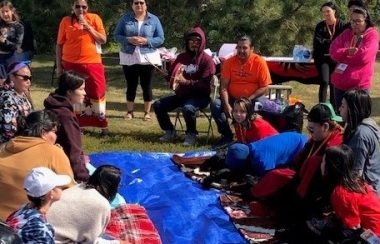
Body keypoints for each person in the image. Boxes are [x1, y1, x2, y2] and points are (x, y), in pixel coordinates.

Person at [251, 103, 343, 226]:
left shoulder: (334, 146)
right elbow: (299, 161)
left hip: (319, 190)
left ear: (325, 126)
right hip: (303, 177)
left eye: (312, 129)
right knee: (277, 176)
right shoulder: (315, 139)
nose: (310, 133)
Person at [0, 110, 75, 220]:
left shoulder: (4, 147)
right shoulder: (54, 152)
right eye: (54, 132)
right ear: (44, 133)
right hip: (29, 221)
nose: (56, 136)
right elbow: (70, 189)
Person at [153, 27, 215, 146]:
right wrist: (166, 75)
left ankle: (191, 134)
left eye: (197, 41)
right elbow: (175, 79)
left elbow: (205, 84)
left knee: (188, 108)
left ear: (202, 42)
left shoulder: (207, 60)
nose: (194, 43)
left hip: (200, 97)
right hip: (182, 95)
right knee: (158, 105)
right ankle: (170, 131)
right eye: (190, 41)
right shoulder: (181, 57)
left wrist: (186, 81)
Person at [56, 0, 109, 135]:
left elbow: (103, 40)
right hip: (70, 63)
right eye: (77, 6)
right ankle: (77, 125)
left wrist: (89, 27)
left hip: (92, 63)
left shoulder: (94, 18)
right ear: (72, 7)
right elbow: (59, 44)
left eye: (84, 7)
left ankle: (103, 125)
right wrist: (59, 66)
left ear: (88, 8)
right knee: (75, 94)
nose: (81, 9)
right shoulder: (66, 21)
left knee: (97, 92)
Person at [307, 145, 380, 241]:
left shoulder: (341, 193)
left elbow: (353, 227)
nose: (321, 164)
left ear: (331, 167)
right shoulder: (354, 180)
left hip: (373, 236)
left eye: (323, 162)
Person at [210, 34, 272, 146]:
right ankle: (227, 136)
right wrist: (227, 105)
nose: (241, 50)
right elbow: (223, 87)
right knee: (216, 104)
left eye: (244, 48)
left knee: (264, 105)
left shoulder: (259, 62)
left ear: (252, 49)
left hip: (252, 98)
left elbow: (264, 87)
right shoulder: (229, 62)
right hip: (233, 98)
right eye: (239, 47)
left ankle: (256, 137)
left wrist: (247, 100)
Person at [47, 165, 127, 243]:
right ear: (112, 186)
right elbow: (90, 241)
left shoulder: (78, 187)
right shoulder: (101, 204)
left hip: (42, 232)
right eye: (118, 186)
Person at [114, 0, 164, 121]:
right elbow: (116, 36)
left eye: (141, 2)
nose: (139, 5)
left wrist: (147, 41)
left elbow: (161, 38)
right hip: (129, 56)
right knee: (131, 85)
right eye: (136, 3)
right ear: (132, 5)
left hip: (148, 57)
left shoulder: (154, 19)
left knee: (146, 85)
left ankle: (147, 113)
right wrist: (128, 39)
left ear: (146, 5)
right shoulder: (125, 19)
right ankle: (129, 112)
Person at [44, 71, 90, 182]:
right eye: (81, 89)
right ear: (69, 92)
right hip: (63, 170)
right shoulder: (65, 116)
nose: (85, 93)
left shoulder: (54, 106)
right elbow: (73, 150)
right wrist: (83, 178)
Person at [329, 6, 378, 108]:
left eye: (358, 21)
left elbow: (363, 56)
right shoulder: (347, 33)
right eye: (352, 21)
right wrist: (347, 51)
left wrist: (342, 56)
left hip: (358, 86)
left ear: (366, 21)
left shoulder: (372, 35)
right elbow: (333, 50)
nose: (354, 24)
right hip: (339, 84)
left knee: (357, 118)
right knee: (339, 117)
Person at [6, 167, 71, 243]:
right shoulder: (41, 229)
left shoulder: (23, 210)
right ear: (51, 193)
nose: (62, 188)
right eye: (59, 186)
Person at [339, 89, 380, 195]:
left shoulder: (360, 136)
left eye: (343, 106)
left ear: (353, 109)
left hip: (368, 191)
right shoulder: (356, 127)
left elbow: (355, 173)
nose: (339, 109)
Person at [313, 2, 346, 108]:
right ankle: (321, 107)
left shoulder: (342, 25)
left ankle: (334, 108)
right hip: (322, 58)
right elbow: (317, 43)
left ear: (334, 11)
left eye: (328, 11)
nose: (326, 14)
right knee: (324, 81)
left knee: (334, 83)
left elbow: (344, 42)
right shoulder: (320, 26)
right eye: (323, 12)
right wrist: (334, 42)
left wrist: (327, 42)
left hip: (337, 59)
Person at [0, 61, 32, 144]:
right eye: (25, 78)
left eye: (29, 78)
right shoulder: (7, 98)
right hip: (9, 145)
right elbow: (8, 131)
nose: (28, 81)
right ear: (12, 77)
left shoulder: (21, 93)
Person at [0, 1, 23, 67]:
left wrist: (5, 41)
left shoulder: (19, 26)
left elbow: (17, 46)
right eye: (2, 12)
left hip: (11, 59)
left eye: (7, 11)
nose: (5, 14)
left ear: (12, 11)